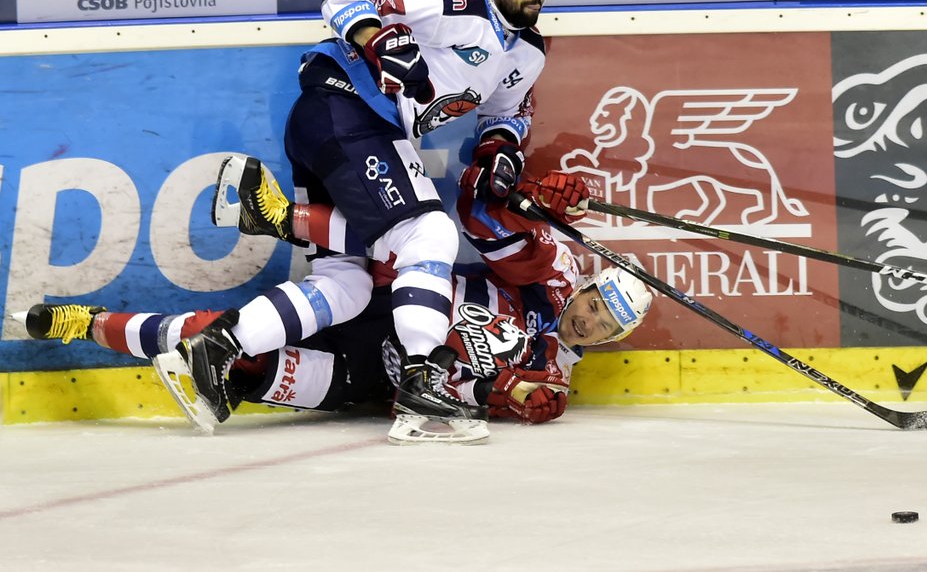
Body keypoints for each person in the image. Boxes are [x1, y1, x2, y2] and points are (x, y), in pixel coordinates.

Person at [135, 0, 561, 442]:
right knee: (428, 234)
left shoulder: (528, 52)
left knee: (348, 285)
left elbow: (507, 112)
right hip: (345, 109)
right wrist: (376, 37)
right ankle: (421, 376)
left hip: (342, 129)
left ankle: (218, 346)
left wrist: (501, 151)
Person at [18, 159, 653, 444]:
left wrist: (507, 396)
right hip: (386, 306)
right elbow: (481, 214)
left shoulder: (554, 385)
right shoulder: (549, 279)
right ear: (590, 289)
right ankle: (281, 217)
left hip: (363, 379)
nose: (589, 321)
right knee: (405, 239)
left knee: (223, 347)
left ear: (609, 343)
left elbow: (503, 410)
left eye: (604, 328)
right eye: (597, 305)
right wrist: (530, 203)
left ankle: (89, 323)